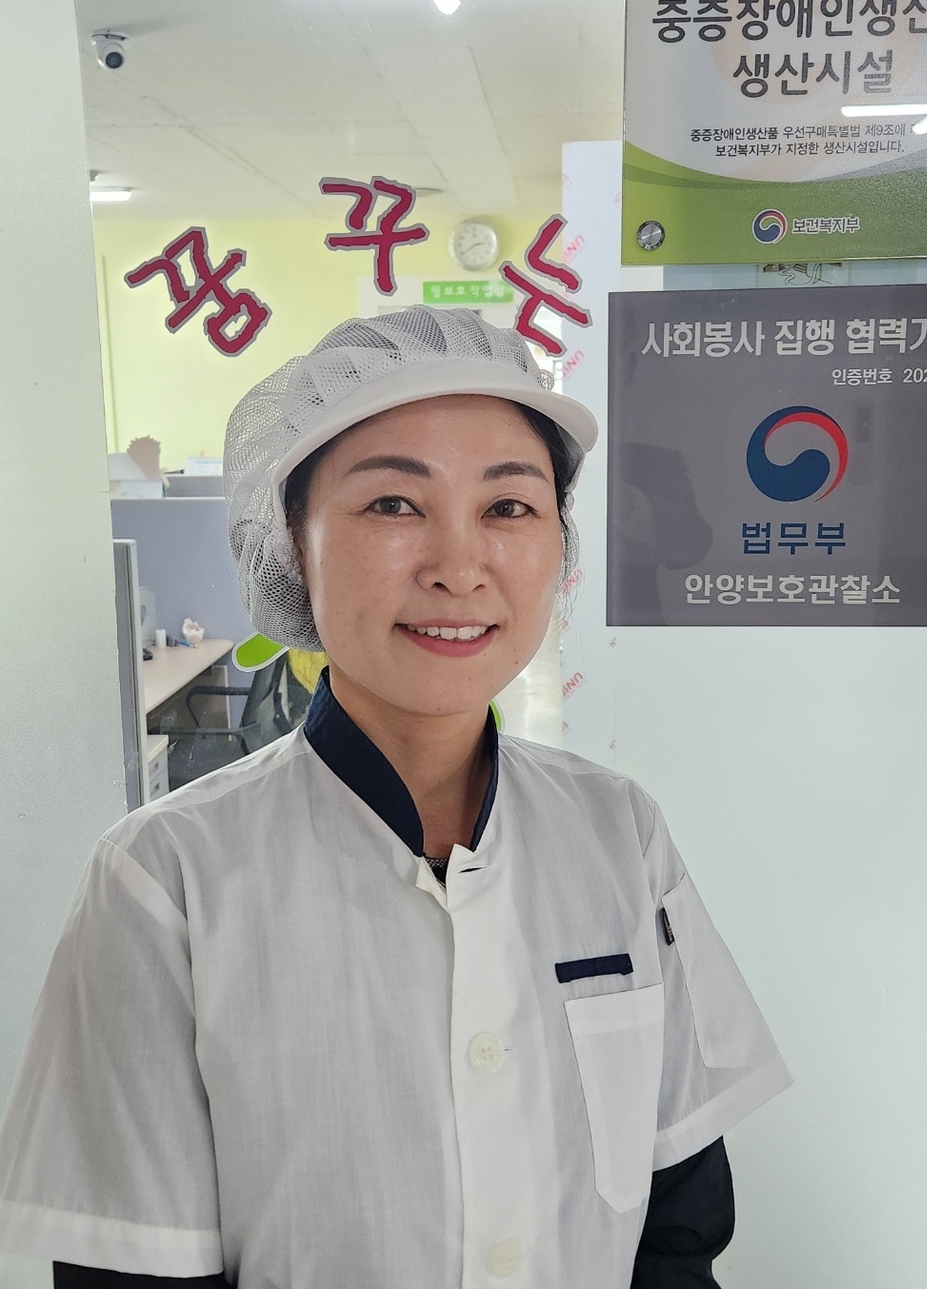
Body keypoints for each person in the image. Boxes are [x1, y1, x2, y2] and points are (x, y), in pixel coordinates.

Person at [0, 307, 791, 1288]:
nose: (459, 568)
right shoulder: (165, 881)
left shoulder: (619, 832)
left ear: (560, 542)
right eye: (392, 504)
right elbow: (134, 1269)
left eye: (509, 507)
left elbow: (678, 1228)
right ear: (291, 545)